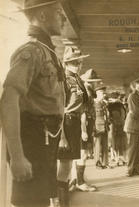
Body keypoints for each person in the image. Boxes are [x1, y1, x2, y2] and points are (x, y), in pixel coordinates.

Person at [0, 1, 66, 206]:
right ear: (43, 16)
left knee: (40, 202)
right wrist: (17, 157)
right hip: (33, 142)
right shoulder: (31, 52)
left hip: (45, 142)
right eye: (58, 13)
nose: (63, 18)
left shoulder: (47, 51)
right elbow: (9, 99)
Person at [56, 46, 91, 206]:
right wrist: (62, 137)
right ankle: (61, 203)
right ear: (67, 63)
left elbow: (83, 106)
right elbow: (59, 110)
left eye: (80, 62)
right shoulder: (63, 80)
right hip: (66, 124)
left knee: (68, 165)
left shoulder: (78, 80)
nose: (78, 65)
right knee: (63, 167)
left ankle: (63, 201)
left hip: (75, 123)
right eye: (74, 62)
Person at [93, 85, 111, 169]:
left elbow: (106, 115)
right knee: (97, 145)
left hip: (105, 126)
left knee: (105, 145)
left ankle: (105, 162)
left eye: (103, 93)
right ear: (97, 93)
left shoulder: (104, 103)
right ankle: (98, 163)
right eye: (101, 93)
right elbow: (93, 116)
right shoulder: (94, 103)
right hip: (97, 127)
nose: (103, 95)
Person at [108, 91, 127, 166]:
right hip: (115, 126)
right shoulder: (112, 105)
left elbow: (124, 115)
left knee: (119, 142)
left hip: (120, 125)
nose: (119, 98)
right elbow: (110, 117)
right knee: (116, 142)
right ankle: (117, 158)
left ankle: (120, 158)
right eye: (117, 97)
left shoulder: (119, 105)